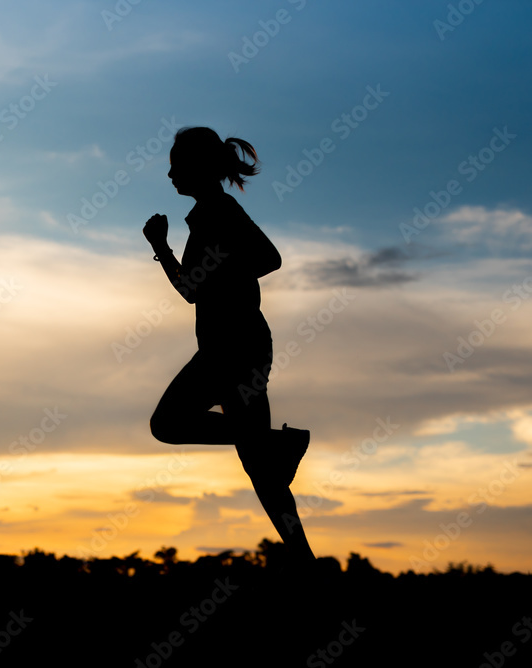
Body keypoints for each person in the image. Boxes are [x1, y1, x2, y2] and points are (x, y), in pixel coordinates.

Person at [143, 126, 315, 565]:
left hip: (232, 349)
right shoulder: (211, 212)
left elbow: (259, 262)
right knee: (261, 469)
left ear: (196, 168)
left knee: (168, 424)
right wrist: (173, 252)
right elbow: (203, 285)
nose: (169, 175)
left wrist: (164, 249)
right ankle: (306, 565)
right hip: (238, 346)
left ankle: (277, 445)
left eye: (175, 166)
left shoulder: (217, 211)